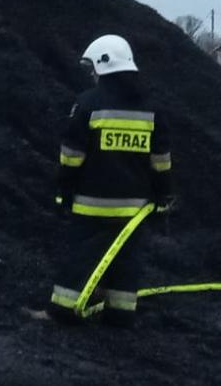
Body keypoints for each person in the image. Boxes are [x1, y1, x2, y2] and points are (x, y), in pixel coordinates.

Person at [48, 34, 174, 328]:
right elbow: (161, 160)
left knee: (80, 257)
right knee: (126, 261)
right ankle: (119, 314)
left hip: (91, 205)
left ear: (103, 64)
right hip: (133, 210)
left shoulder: (88, 104)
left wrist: (63, 189)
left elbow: (71, 156)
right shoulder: (151, 108)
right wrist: (163, 196)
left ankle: (63, 312)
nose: (91, 74)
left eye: (92, 67)